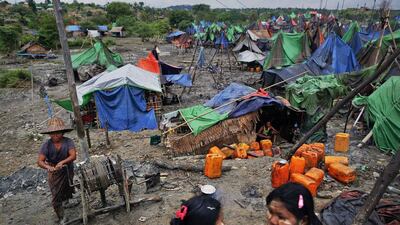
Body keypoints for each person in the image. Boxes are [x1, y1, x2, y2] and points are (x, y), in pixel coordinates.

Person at [37, 117, 77, 222]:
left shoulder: (68, 142)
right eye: (53, 133)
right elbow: (40, 161)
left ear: (62, 132)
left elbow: (73, 156)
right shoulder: (46, 145)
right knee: (56, 194)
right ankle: (61, 217)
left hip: (67, 168)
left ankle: (67, 201)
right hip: (54, 172)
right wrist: (48, 167)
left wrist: (63, 162)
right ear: (49, 134)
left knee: (68, 186)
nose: (55, 135)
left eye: (58, 132)